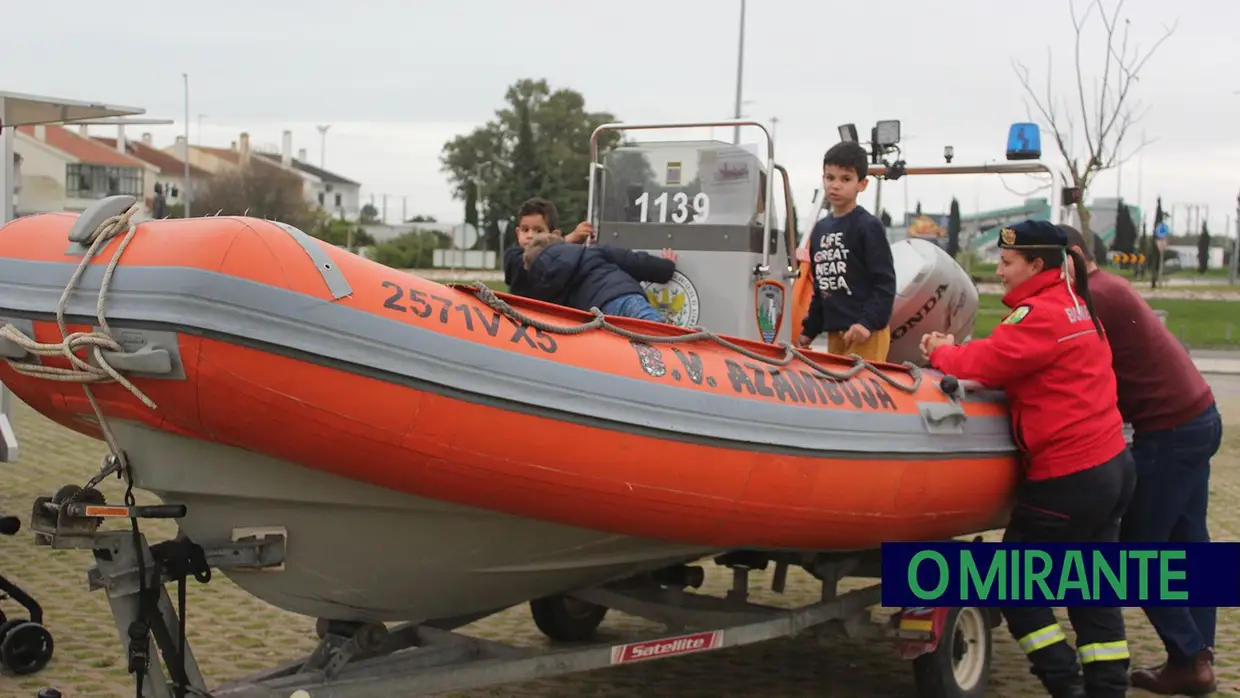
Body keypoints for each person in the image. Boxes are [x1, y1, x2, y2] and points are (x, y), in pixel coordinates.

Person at [920, 219, 1136, 698]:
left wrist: (942, 351)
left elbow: (987, 362)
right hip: (1111, 467)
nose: (1000, 270)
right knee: (1092, 589)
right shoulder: (1078, 305)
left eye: (1007, 262)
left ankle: (1065, 684)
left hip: (1069, 478)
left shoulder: (1039, 315)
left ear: (1037, 265)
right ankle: (1108, 689)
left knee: (1015, 587)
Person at [1062, 224, 1220, 695]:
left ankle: (1190, 658)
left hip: (1168, 431)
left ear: (1072, 256)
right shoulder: (1112, 287)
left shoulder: (1096, 299)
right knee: (1190, 544)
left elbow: (1062, 359)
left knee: (1138, 548)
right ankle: (1198, 656)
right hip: (1198, 417)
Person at [796, 141, 896, 362]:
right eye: (830, 178)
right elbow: (822, 289)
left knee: (862, 392)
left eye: (846, 179)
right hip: (836, 332)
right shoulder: (820, 230)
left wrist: (867, 323)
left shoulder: (868, 226)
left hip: (865, 334)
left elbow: (885, 283)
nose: (836, 185)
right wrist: (808, 332)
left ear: (862, 184)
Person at [521, 231, 677, 322]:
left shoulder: (543, 288)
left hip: (595, 319)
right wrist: (666, 267)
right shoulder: (590, 251)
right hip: (623, 297)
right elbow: (634, 262)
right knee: (661, 340)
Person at [503, 197, 593, 297]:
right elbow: (531, 261)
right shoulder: (513, 256)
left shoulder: (561, 261)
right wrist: (567, 239)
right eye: (525, 230)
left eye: (539, 231)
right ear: (518, 233)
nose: (530, 235)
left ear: (555, 234)